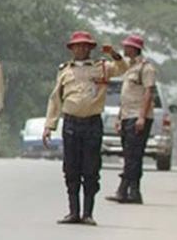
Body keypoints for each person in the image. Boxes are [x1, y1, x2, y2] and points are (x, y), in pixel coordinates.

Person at [42, 31, 127, 226]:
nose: (81, 49)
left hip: (92, 124)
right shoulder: (64, 71)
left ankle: (88, 213)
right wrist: (49, 126)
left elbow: (123, 68)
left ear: (90, 48)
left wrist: (113, 53)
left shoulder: (102, 67)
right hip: (71, 124)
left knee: (90, 169)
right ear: (72, 49)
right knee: (71, 169)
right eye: (77, 46)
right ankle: (73, 212)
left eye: (85, 46)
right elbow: (55, 99)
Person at [106, 34, 156, 205]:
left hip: (138, 116)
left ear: (134, 48)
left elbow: (149, 93)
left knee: (133, 155)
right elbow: (125, 96)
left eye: (127, 46)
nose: (124, 49)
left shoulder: (146, 68)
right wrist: (119, 118)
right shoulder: (130, 67)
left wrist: (142, 117)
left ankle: (123, 190)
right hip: (128, 115)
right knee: (129, 154)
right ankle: (133, 192)